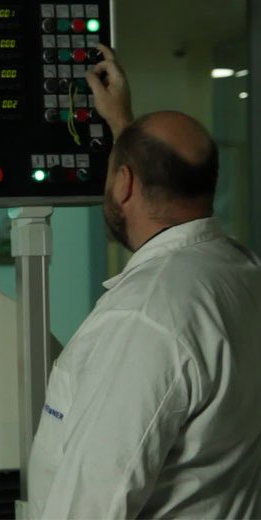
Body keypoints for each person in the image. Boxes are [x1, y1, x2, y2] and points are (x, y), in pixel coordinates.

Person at [27, 44, 261, 518]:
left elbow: (92, 504)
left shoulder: (143, 319)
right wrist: (123, 126)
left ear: (124, 183)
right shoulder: (241, 271)